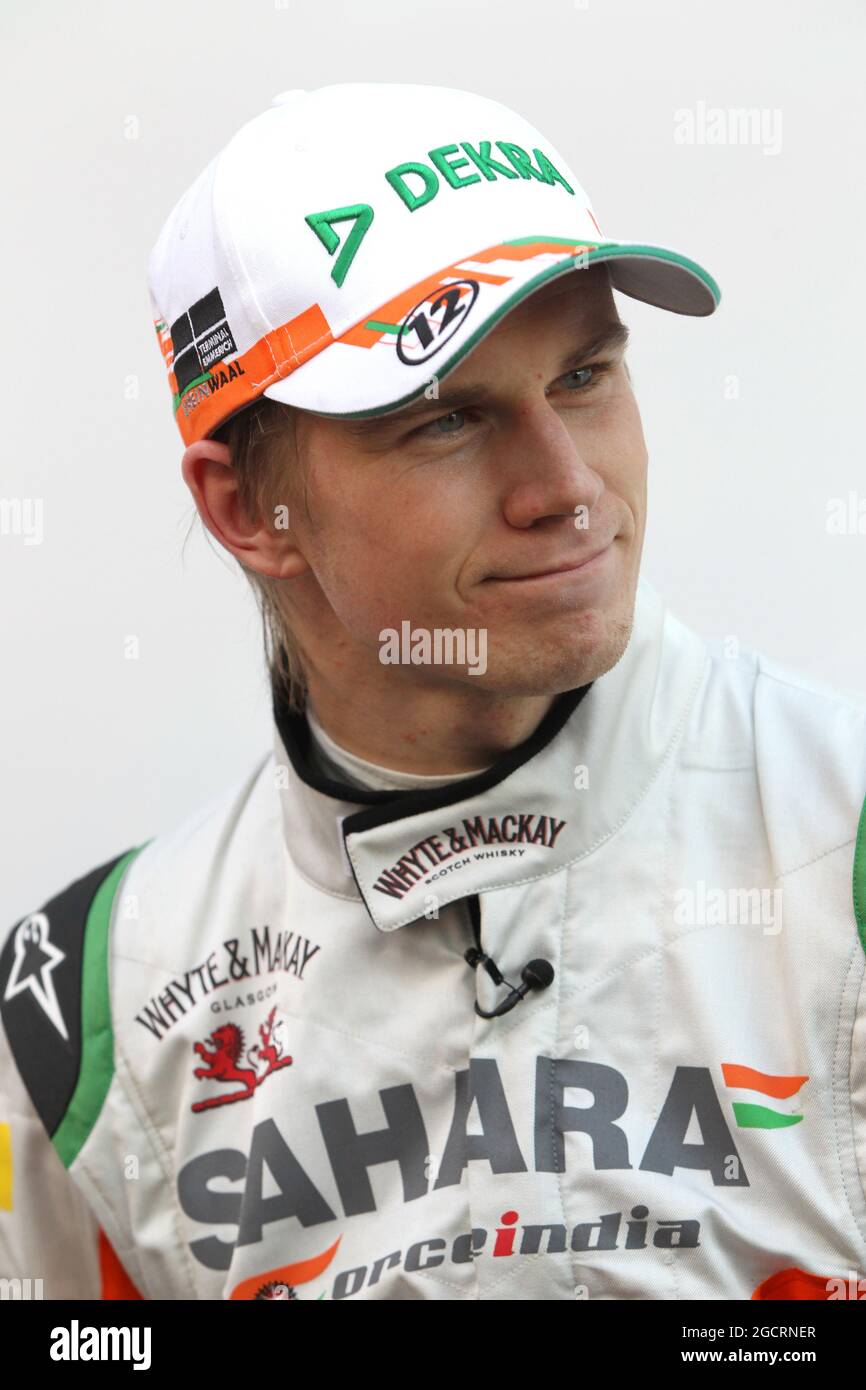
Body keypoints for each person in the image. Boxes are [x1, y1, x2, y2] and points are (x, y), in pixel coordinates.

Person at [2, 82, 865, 1304]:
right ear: (249, 508)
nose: (567, 487)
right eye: (447, 420)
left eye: (584, 376)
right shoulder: (90, 1004)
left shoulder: (842, 851)